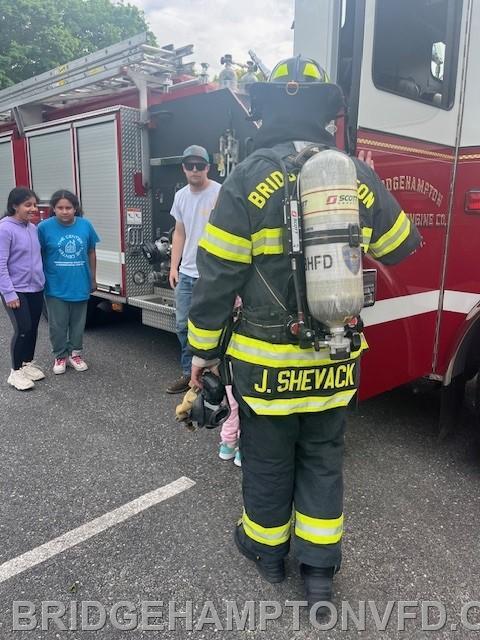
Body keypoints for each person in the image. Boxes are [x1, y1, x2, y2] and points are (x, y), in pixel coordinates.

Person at [187, 56, 422, 610]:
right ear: (327, 114)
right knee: (322, 459)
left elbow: (217, 275)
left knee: (268, 459)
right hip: (336, 357)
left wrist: (202, 353)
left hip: (266, 363)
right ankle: (319, 572)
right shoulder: (352, 173)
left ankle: (267, 554)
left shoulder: (247, 176)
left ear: (264, 111)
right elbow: (401, 246)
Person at [166, 145, 221, 394]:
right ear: (184, 169)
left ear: (208, 167)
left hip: (213, 274)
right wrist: (173, 267)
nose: (195, 170)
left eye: (200, 165)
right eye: (190, 165)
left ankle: (213, 376)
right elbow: (180, 232)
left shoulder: (220, 193)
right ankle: (190, 375)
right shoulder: (180, 196)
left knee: (212, 327)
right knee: (182, 327)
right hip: (187, 273)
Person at [38, 190, 99, 375]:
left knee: (78, 323)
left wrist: (93, 278)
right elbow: (37, 254)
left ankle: (75, 354)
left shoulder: (85, 225)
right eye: (60, 208)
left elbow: (91, 252)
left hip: (80, 282)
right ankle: (60, 355)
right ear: (53, 209)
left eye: (69, 207)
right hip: (55, 284)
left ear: (75, 208)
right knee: (58, 324)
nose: (65, 211)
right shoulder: (43, 228)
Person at [0, 187, 46, 390]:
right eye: (28, 205)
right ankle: (15, 372)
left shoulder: (32, 228)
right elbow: (0, 264)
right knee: (23, 328)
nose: (33, 209)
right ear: (14, 206)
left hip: (35, 287)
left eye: (34, 204)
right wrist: (9, 293)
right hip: (15, 289)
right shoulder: (4, 228)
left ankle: (27, 363)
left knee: (33, 328)